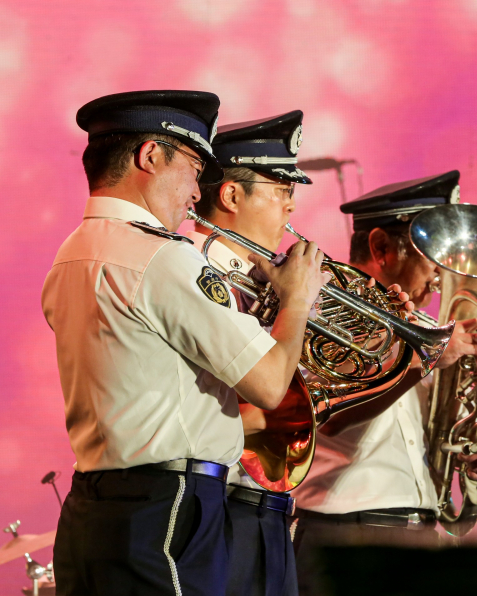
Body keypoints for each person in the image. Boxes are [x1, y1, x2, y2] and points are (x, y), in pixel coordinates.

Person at [41, 91, 328, 596]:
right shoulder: (164, 258)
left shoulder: (69, 254)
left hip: (95, 502)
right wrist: (297, 301)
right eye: (195, 167)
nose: (197, 193)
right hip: (167, 508)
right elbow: (267, 385)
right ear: (150, 156)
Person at [291, 171, 477, 594]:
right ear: (382, 248)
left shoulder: (431, 328)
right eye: (432, 251)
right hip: (346, 532)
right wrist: (430, 357)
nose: (444, 273)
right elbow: (329, 416)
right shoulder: (320, 311)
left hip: (421, 530)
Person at [190, 111, 311, 596]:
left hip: (267, 512)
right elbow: (259, 395)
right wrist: (295, 303)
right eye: (281, 190)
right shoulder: (197, 273)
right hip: (217, 510)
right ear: (232, 194)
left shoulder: (263, 280)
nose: (290, 209)